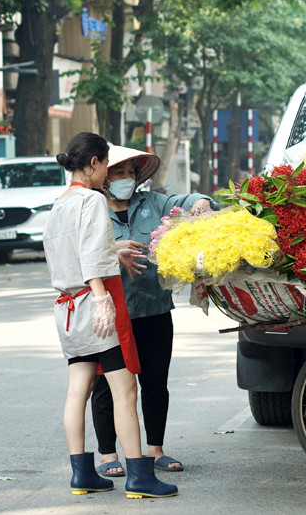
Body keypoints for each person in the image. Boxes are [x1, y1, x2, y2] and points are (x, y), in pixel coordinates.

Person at [43, 132, 177, 499]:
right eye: (105, 165)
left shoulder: (58, 204)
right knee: (124, 389)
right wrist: (102, 298)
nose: (107, 176)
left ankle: (81, 475)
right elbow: (91, 256)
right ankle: (139, 477)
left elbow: (64, 257)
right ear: (93, 164)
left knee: (77, 392)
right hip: (95, 305)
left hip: (67, 309)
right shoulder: (91, 200)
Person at [90, 145, 217, 477]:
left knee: (155, 383)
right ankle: (107, 454)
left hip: (155, 311)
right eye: (118, 173)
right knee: (107, 387)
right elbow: (79, 255)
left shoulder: (153, 203)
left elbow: (188, 202)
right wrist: (111, 250)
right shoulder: (92, 210)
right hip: (113, 314)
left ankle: (156, 449)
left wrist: (201, 202)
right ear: (104, 178)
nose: (126, 179)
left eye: (131, 173)